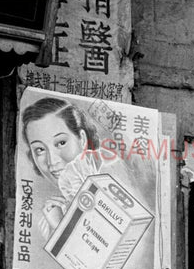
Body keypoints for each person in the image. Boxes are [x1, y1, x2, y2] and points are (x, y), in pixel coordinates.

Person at [21, 96, 153, 239]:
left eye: (61, 143)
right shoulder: (51, 215)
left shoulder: (113, 176)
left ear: (82, 139)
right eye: (39, 150)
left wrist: (62, 228)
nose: (52, 161)